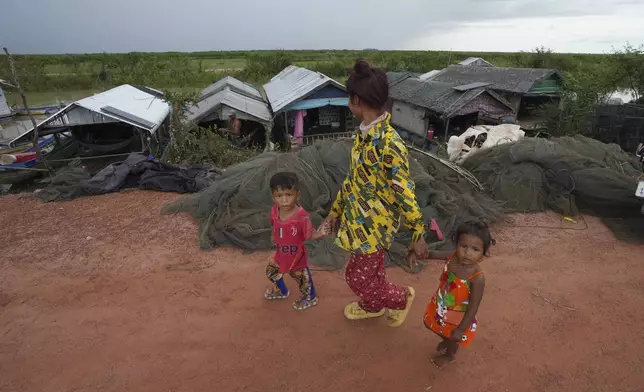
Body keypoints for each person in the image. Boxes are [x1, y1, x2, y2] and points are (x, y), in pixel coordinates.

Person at [320, 59, 429, 327]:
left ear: (356, 100)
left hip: (375, 227)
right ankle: (372, 306)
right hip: (358, 221)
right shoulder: (364, 136)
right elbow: (353, 179)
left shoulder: (390, 145)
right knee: (373, 272)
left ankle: (401, 298)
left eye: (348, 98)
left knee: (356, 277)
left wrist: (418, 233)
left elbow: (405, 191)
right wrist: (335, 212)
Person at [420, 221, 493, 369]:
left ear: (483, 253)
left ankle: (450, 354)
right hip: (442, 304)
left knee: (452, 336)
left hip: (459, 316)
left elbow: (473, 307)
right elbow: (434, 254)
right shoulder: (452, 257)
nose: (467, 253)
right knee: (430, 324)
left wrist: (461, 329)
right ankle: (446, 340)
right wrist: (422, 254)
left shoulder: (477, 278)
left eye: (475, 249)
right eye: (463, 246)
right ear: (456, 244)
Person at [265, 172, 325, 311]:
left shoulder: (302, 217)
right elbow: (275, 225)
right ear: (273, 196)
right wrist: (274, 237)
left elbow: (309, 235)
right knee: (271, 272)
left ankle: (311, 297)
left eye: (289, 195)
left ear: (297, 195)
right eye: (279, 196)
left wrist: (321, 233)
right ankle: (282, 291)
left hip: (296, 257)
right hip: (280, 254)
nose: (284, 200)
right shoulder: (275, 211)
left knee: (303, 279)